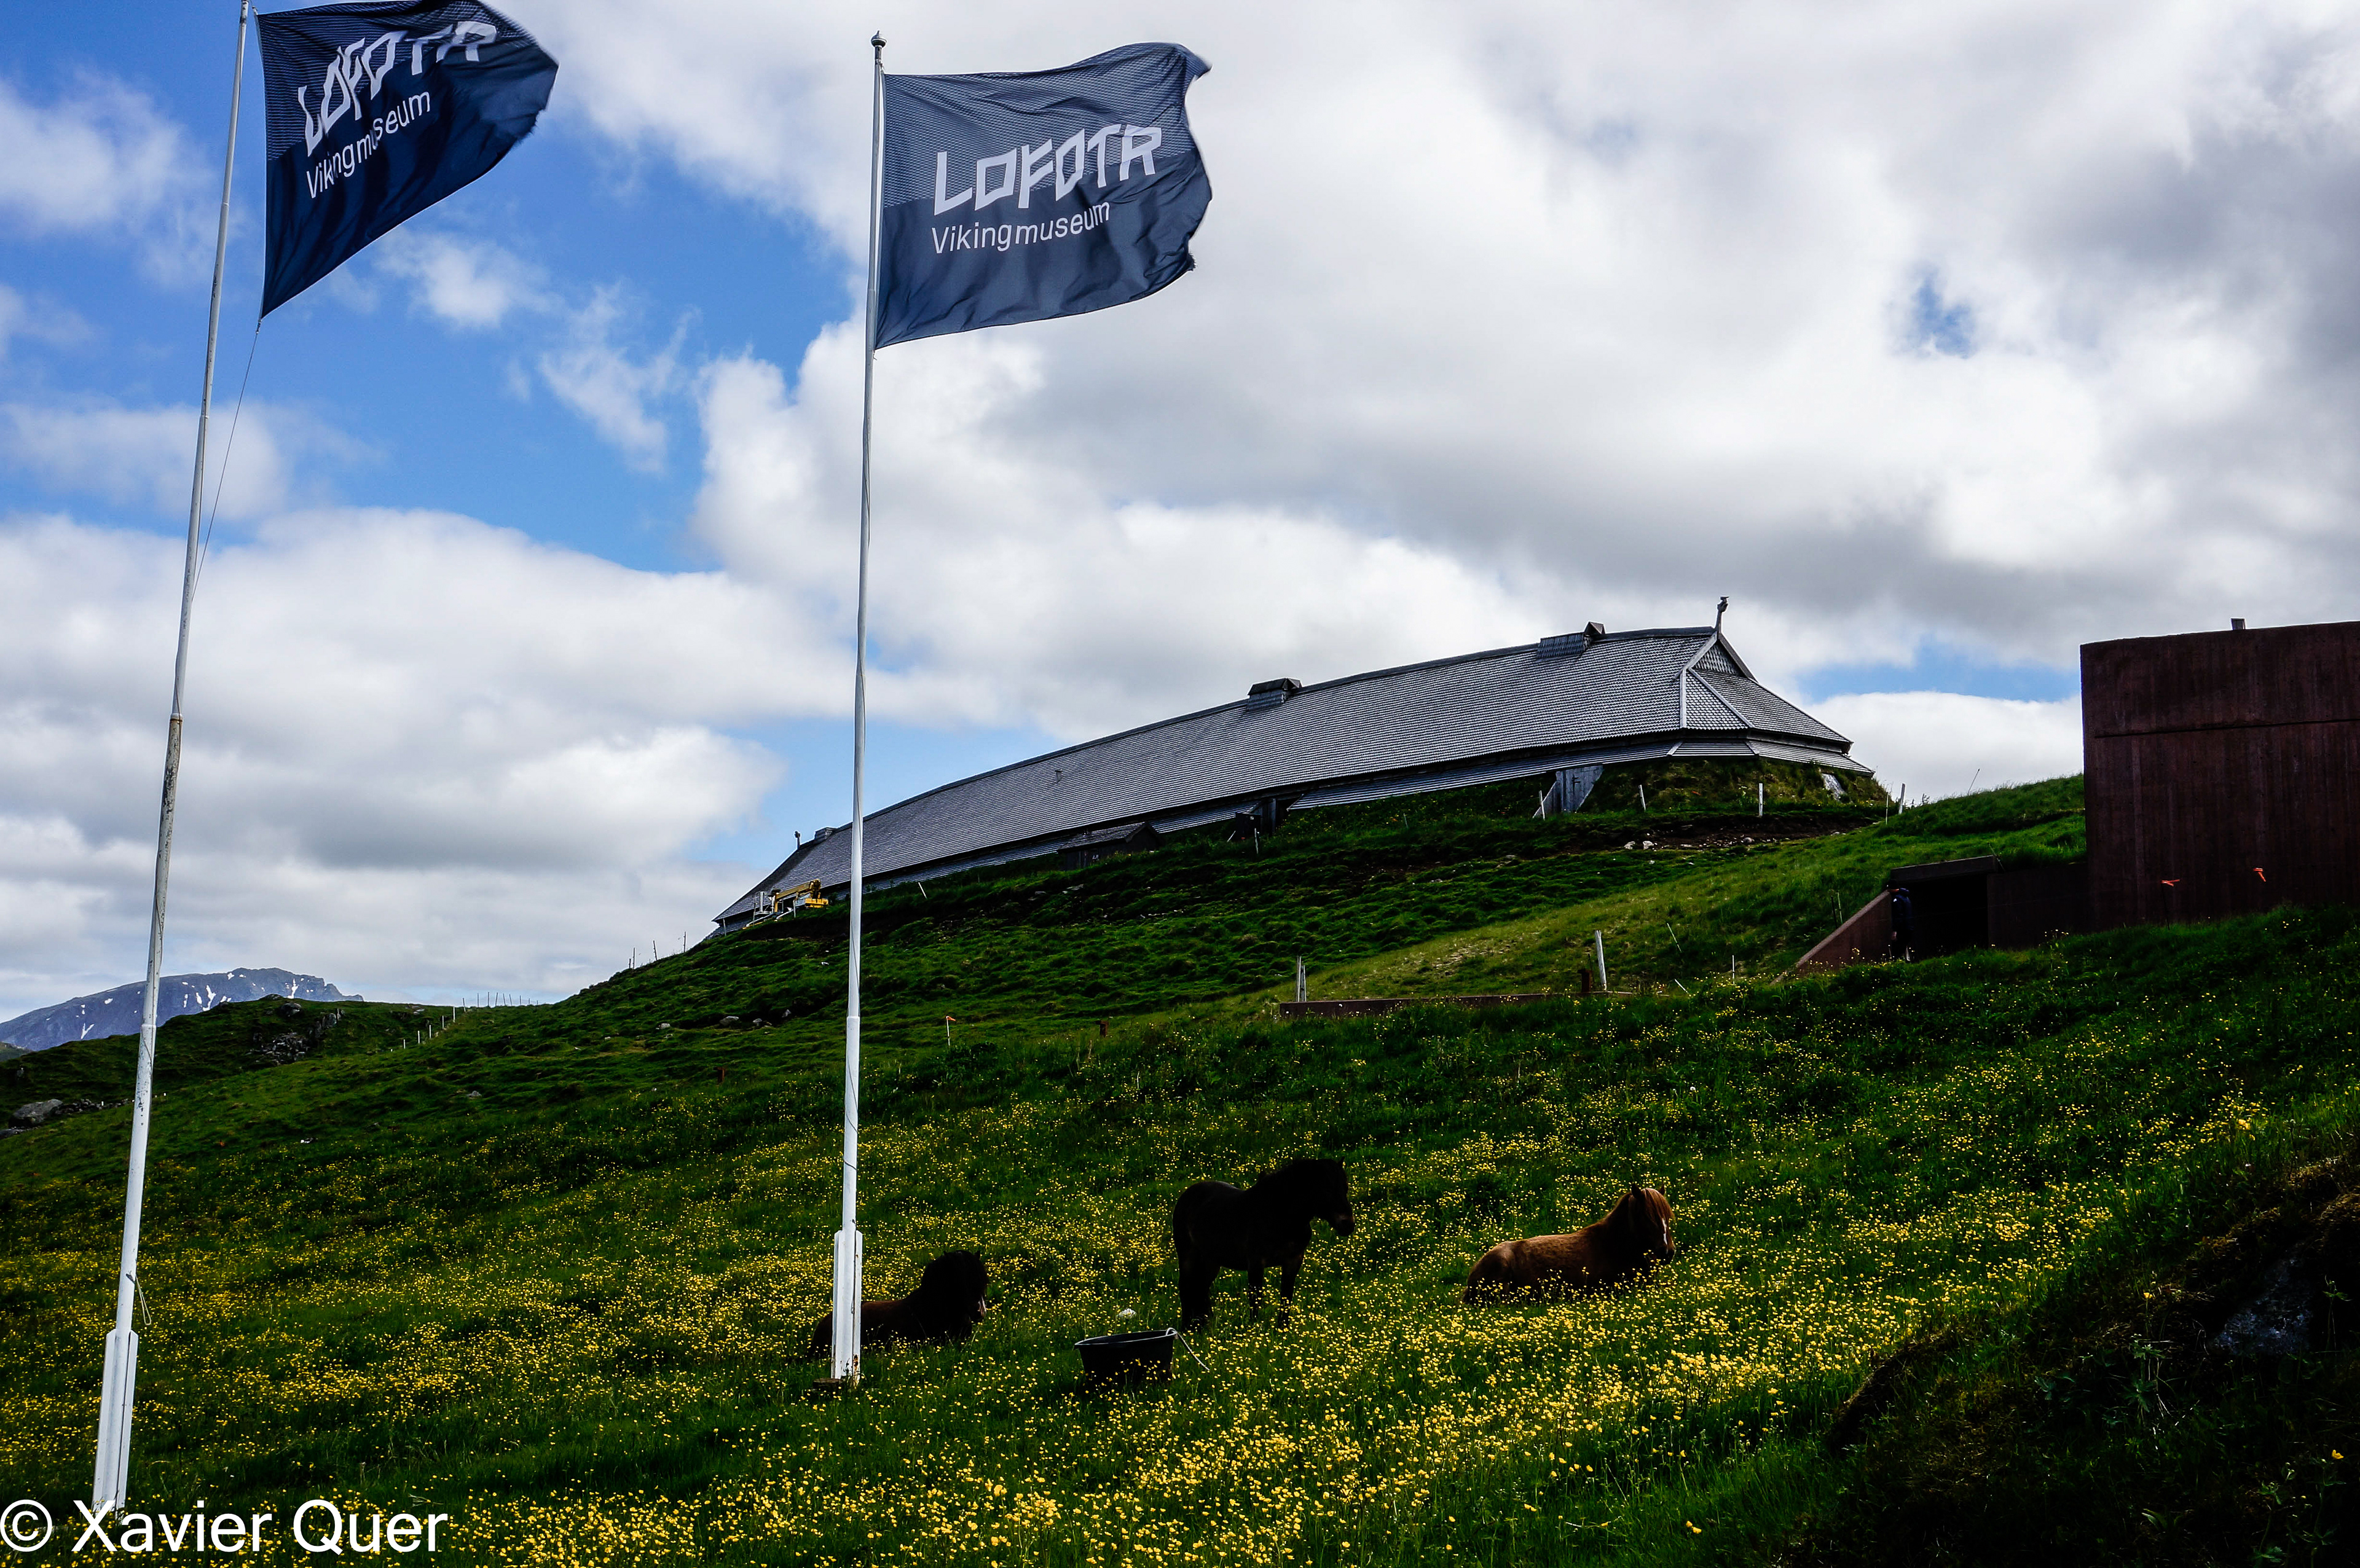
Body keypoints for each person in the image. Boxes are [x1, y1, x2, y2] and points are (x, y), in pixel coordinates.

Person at [1889, 885, 1916, 961]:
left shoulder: (1897, 900)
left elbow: (1898, 916)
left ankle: (1900, 962)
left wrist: (1895, 930)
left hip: (1902, 929)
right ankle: (1907, 960)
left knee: (1898, 949)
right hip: (1909, 927)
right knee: (1904, 946)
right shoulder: (1906, 898)